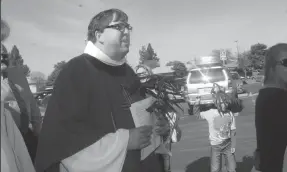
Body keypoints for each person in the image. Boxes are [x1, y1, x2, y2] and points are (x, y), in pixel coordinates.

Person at [35, 9, 170, 172]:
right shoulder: (77, 71)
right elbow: (63, 140)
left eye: (128, 26)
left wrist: (158, 127)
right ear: (99, 35)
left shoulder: (128, 72)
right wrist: (125, 141)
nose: (127, 31)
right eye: (119, 26)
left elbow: (141, 113)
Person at [1, 19, 36, 172]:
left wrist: (38, 134)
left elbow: (32, 106)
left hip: (25, 136)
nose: (3, 50)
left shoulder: (17, 74)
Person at [193, 83, 243, 172]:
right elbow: (197, 115)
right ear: (216, 103)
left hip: (228, 144)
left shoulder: (229, 113)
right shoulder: (211, 113)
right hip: (215, 146)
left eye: (226, 102)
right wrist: (196, 104)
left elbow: (233, 130)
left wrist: (233, 145)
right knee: (215, 169)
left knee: (232, 168)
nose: (224, 105)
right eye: (222, 103)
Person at [254, 43, 287, 172]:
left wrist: (259, 150)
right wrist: (261, 151)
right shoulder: (274, 98)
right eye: (286, 62)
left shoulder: (264, 96)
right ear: (272, 67)